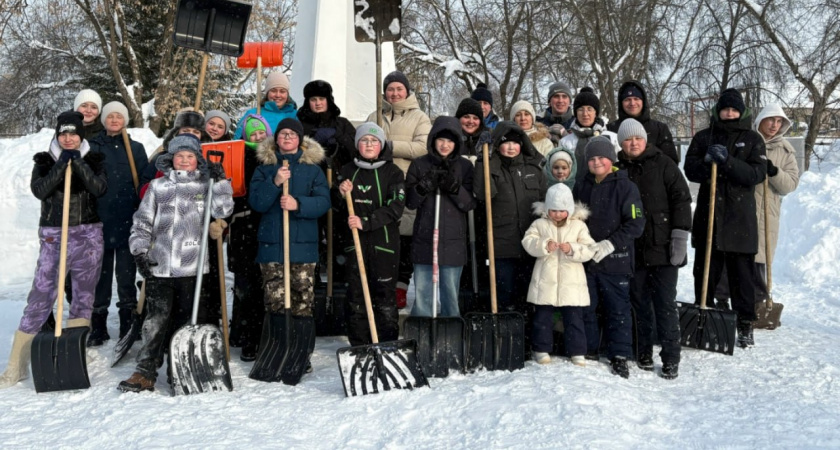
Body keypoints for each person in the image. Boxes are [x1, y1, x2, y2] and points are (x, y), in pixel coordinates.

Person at [0, 111, 107, 389]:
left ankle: (75, 352)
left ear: (81, 136)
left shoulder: (94, 160)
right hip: (54, 234)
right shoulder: (44, 160)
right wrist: (62, 163)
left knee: (84, 296)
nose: (68, 138)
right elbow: (41, 190)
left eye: (73, 134)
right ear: (57, 135)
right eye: (63, 134)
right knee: (41, 295)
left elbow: (98, 188)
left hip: (88, 234)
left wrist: (79, 164)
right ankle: (17, 366)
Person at [118, 135, 232, 393]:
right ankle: (145, 371)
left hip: (193, 268)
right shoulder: (158, 187)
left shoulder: (206, 185)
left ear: (197, 160)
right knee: (155, 322)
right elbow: (143, 221)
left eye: (190, 156)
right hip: (161, 265)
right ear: (171, 159)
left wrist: (221, 181)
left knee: (186, 322)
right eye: (179, 156)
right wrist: (139, 250)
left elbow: (223, 210)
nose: (184, 160)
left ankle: (179, 369)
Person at [684, 88, 766, 348]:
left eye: (734, 109)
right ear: (718, 111)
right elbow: (690, 170)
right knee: (706, 273)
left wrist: (728, 162)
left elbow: (756, 174)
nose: (729, 113)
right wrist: (708, 163)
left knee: (742, 277)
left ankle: (744, 324)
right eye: (725, 109)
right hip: (710, 218)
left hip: (740, 219)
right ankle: (703, 315)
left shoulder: (753, 139)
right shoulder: (703, 137)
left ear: (742, 112)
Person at [249, 118, 330, 366]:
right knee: (275, 301)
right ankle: (277, 350)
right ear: (276, 139)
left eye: (291, 134)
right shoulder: (264, 169)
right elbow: (257, 203)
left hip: (303, 248)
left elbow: (324, 202)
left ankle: (300, 352)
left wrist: (298, 204)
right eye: (282, 134)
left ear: (299, 139)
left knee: (302, 301)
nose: (286, 138)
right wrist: (274, 183)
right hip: (272, 246)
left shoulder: (313, 170)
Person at [615, 119, 691, 379]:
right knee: (639, 303)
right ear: (621, 143)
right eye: (627, 139)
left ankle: (671, 356)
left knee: (665, 304)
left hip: (663, 246)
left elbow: (682, 199)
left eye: (637, 138)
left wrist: (680, 236)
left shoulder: (664, 164)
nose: (633, 143)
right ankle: (643, 349)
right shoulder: (618, 168)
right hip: (633, 249)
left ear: (645, 140)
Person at [573, 136, 645, 378]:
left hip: (616, 260)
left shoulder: (626, 187)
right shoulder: (582, 185)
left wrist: (610, 244)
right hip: (588, 260)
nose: (596, 162)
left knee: (618, 310)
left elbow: (635, 224)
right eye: (591, 159)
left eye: (601, 158)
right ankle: (591, 348)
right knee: (587, 306)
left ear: (611, 159)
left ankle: (619, 354)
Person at [334, 123, 405, 346]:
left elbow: (396, 205)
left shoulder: (392, 172)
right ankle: (360, 346)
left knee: (384, 296)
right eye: (364, 140)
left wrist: (367, 222)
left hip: (384, 244)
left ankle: (386, 344)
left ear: (381, 144)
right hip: (354, 245)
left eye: (374, 141)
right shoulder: (347, 171)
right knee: (356, 297)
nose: (369, 144)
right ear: (358, 145)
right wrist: (339, 192)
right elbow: (335, 207)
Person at [365, 70, 431, 309]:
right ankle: (383, 286)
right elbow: (365, 142)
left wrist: (389, 146)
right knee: (384, 237)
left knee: (404, 237)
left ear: (407, 91)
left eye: (398, 89)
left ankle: (401, 287)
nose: (394, 93)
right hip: (378, 182)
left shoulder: (419, 117)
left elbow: (423, 147)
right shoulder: (375, 114)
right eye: (390, 89)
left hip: (406, 181)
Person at [87, 101, 149, 346]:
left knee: (125, 275)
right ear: (104, 120)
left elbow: (144, 183)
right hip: (98, 220)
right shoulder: (91, 147)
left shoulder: (135, 148)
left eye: (119, 117)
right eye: (110, 116)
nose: (114, 120)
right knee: (99, 276)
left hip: (127, 219)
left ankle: (127, 322)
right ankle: (98, 325)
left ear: (125, 121)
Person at [474, 121, 546, 319]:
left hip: (531, 245)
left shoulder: (534, 169)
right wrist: (482, 159)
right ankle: (507, 336)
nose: (511, 147)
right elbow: (481, 194)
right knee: (504, 296)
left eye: (515, 143)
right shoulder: (491, 167)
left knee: (530, 296)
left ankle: (529, 339)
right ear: (499, 145)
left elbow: (545, 201)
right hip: (502, 245)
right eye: (506, 143)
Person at [405, 116, 476, 318]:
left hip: (453, 242)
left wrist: (454, 187)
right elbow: (410, 202)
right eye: (441, 140)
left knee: (450, 293)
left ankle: (450, 329)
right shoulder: (419, 165)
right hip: (425, 239)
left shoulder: (464, 167)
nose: (445, 145)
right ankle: (422, 327)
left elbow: (469, 203)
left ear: (457, 143)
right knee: (423, 292)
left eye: (450, 141)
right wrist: (423, 187)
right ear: (433, 140)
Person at [522, 183, 595, 366]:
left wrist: (573, 249)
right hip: (545, 280)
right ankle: (541, 349)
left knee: (574, 318)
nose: (557, 214)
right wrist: (545, 245)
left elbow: (589, 249)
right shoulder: (539, 223)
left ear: (569, 210)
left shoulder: (578, 226)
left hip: (571, 282)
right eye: (553, 210)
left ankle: (577, 351)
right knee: (542, 318)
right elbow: (528, 241)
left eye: (562, 210)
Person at [221, 113, 272, 360]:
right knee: (245, 285)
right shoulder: (236, 156)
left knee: (266, 284)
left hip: (268, 226)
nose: (258, 137)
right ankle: (245, 335)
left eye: (262, 132)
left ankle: (263, 335)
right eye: (253, 133)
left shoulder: (274, 156)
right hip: (243, 227)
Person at [751, 104, 800, 309]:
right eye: (771, 119)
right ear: (760, 120)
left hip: (766, 212)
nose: (774, 125)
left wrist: (773, 172)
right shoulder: (747, 142)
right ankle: (732, 303)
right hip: (743, 207)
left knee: (760, 259)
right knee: (736, 259)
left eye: (779, 121)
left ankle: (758, 304)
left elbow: (790, 184)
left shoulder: (785, 150)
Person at [607, 80, 680, 164]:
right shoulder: (611, 129)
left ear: (643, 101)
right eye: (627, 99)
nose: (632, 103)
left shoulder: (660, 129)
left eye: (636, 99)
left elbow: (671, 164)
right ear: (621, 103)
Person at [559, 87, 619, 183]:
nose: (585, 114)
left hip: (607, 192)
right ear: (575, 113)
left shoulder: (612, 138)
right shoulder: (565, 142)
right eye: (580, 109)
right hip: (576, 192)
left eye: (589, 109)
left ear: (596, 112)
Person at [233, 72, 297, 140]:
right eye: (273, 91)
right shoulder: (253, 114)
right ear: (267, 93)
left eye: (282, 91)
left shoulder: (296, 115)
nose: (278, 95)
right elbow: (236, 140)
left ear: (287, 94)